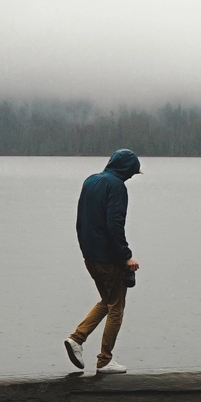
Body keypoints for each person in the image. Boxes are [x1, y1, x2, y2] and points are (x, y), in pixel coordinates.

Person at [64, 149, 142, 374]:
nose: (131, 177)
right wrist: (126, 256)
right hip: (108, 258)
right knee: (116, 307)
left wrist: (87, 251)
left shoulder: (91, 181)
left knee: (107, 301)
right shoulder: (117, 186)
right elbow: (114, 225)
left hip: (90, 256)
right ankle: (105, 360)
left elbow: (81, 221)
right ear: (126, 170)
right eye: (132, 173)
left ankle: (76, 339)